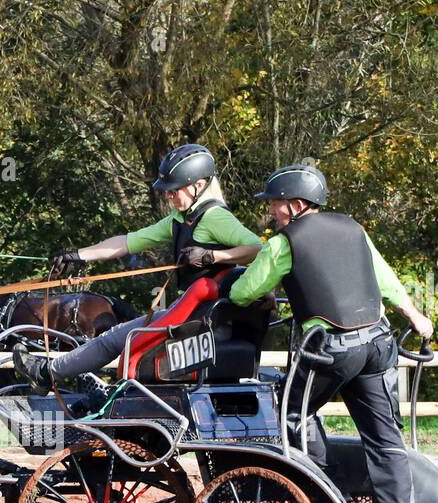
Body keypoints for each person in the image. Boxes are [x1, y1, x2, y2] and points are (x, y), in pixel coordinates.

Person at [225, 162, 434, 503]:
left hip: (331, 351)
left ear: (294, 204)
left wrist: (250, 286)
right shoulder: (353, 229)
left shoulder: (284, 243)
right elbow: (385, 278)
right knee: (384, 434)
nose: (271, 211)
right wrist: (414, 314)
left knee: (290, 412)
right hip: (378, 343)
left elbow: (243, 293)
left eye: (274, 203)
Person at [14, 143, 263, 387]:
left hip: (206, 326)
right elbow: (128, 242)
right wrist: (79, 255)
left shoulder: (214, 217)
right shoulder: (179, 220)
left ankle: (46, 374)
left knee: (111, 339)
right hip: (192, 318)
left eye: (174, 190)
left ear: (198, 186)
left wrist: (211, 256)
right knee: (114, 339)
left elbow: (257, 249)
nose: (168, 195)